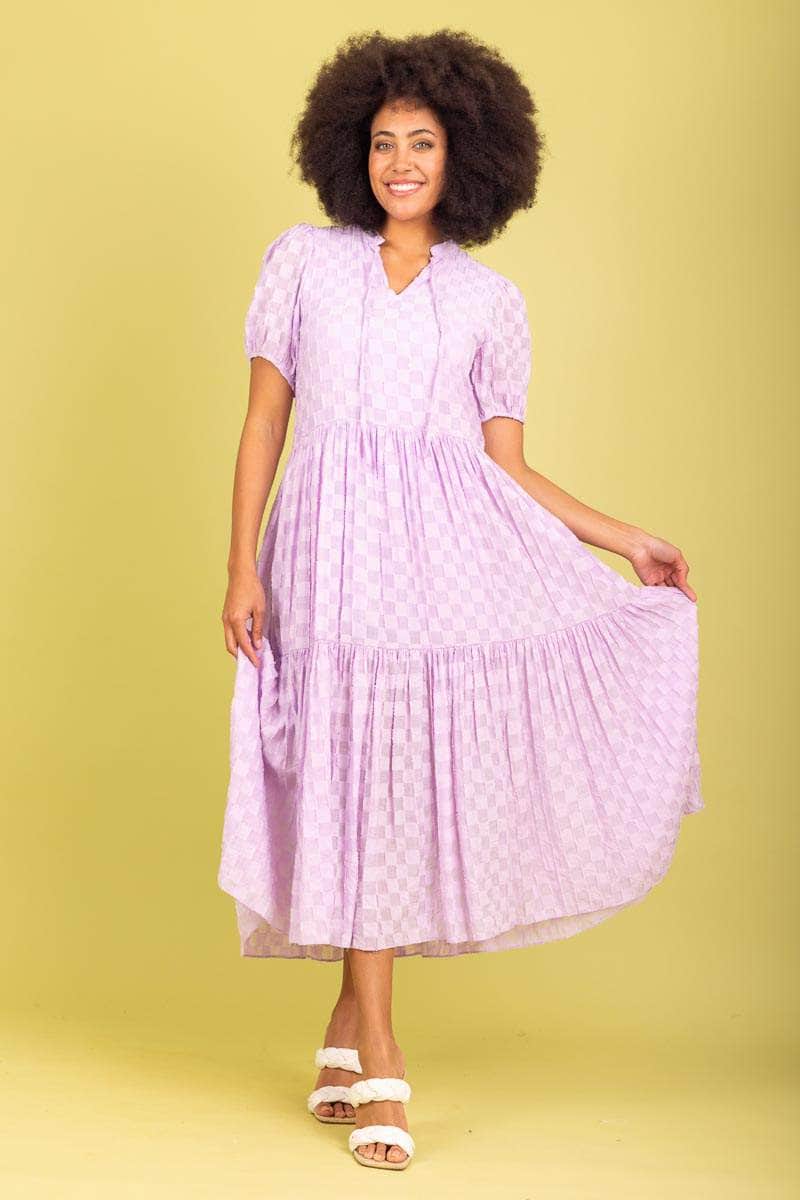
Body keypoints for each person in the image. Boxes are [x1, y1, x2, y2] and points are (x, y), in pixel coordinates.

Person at [217, 29, 703, 1172]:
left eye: (422, 143)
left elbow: (506, 467)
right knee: (345, 773)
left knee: (385, 782)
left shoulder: (490, 299)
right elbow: (264, 422)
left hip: (440, 562)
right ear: (350, 150)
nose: (399, 162)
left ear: (464, 157)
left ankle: (366, 1040)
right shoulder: (302, 261)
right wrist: (240, 564)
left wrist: (625, 539)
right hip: (322, 555)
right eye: (383, 142)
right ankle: (362, 1034)